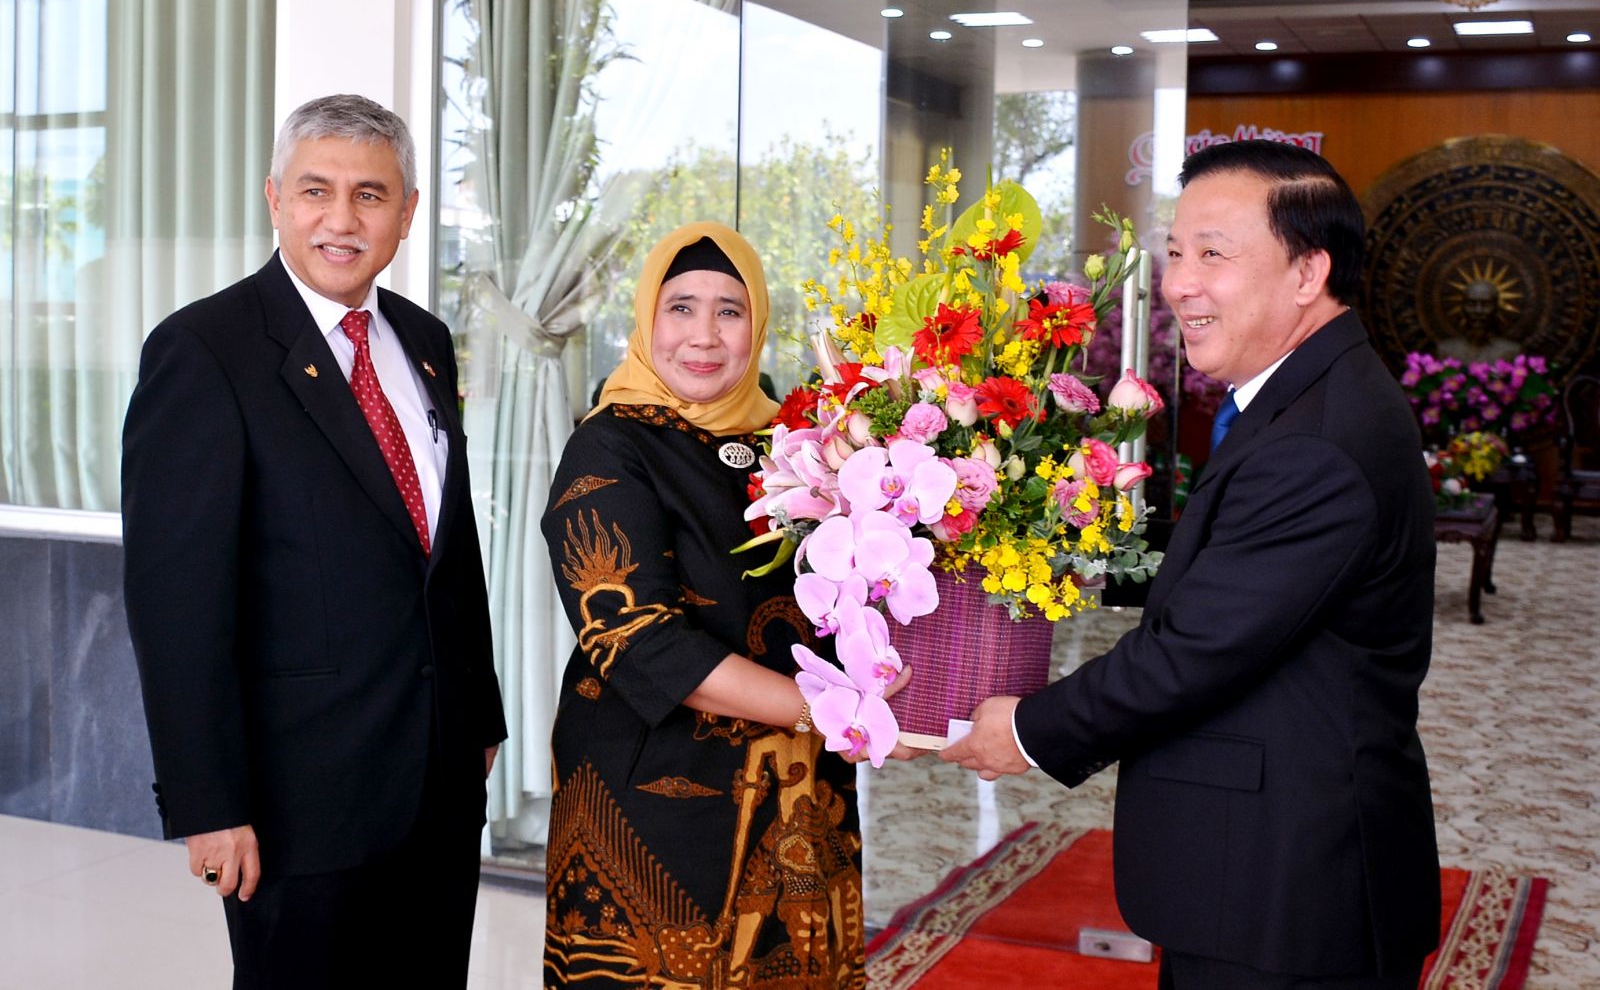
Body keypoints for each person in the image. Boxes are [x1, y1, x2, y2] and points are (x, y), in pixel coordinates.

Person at [943, 140, 1441, 989]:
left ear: (1307, 271)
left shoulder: (1318, 442)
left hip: (1289, 887)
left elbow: (1193, 652)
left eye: (1214, 253)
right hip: (1266, 867)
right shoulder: (1305, 399)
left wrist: (1026, 729)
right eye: (1175, 253)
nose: (1179, 284)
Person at [121, 94, 507, 988]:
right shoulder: (203, 350)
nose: (342, 219)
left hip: (440, 778)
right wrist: (208, 802)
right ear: (274, 200)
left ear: (407, 213)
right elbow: (176, 603)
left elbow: (448, 545)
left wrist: (478, 709)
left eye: (371, 195)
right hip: (298, 797)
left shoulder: (425, 340)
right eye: (316, 191)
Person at [540, 222, 868, 987]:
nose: (705, 335)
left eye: (730, 310)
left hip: (796, 789)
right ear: (646, 318)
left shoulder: (793, 438)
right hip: (655, 797)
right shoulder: (611, 443)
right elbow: (637, 637)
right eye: (681, 306)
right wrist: (821, 709)